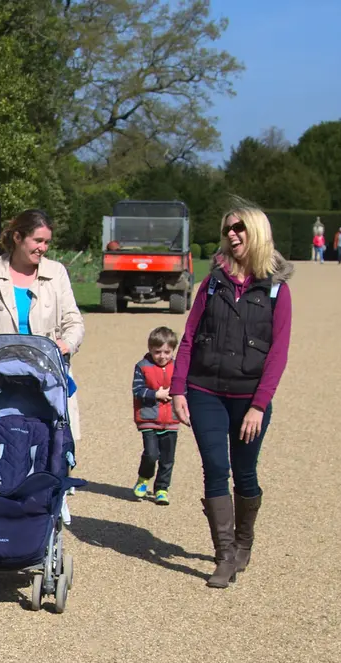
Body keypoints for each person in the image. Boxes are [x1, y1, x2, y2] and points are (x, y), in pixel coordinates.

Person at [169, 203, 292, 589]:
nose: (232, 235)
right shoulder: (213, 282)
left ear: (256, 232)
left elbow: (278, 353)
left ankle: (243, 544)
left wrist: (259, 404)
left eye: (239, 228)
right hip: (205, 390)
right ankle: (224, 556)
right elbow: (188, 338)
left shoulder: (276, 289)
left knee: (245, 472)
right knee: (215, 468)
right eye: (228, 230)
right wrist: (177, 388)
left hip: (248, 398)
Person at [0, 209, 86, 438]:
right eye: (38, 240)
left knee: (50, 447)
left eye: (47, 242)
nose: (43, 248)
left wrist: (66, 344)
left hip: (46, 378)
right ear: (18, 237)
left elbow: (74, 321)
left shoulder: (56, 273)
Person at [131, 326, 180, 506]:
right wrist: (155, 394)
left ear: (173, 350)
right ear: (150, 349)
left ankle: (162, 488)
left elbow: (184, 388)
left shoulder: (177, 367)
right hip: (149, 418)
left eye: (167, 352)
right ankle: (144, 478)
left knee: (168, 458)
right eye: (157, 351)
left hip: (171, 419)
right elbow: (137, 390)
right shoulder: (142, 367)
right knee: (151, 454)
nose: (162, 356)